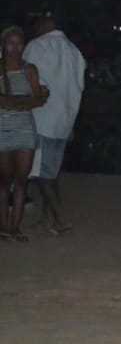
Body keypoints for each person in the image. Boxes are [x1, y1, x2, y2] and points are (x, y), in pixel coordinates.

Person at [21, 12, 85, 234]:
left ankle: (59, 219)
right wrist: (71, 123)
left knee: (42, 174)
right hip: (64, 122)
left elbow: (26, 83)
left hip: (42, 119)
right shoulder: (74, 51)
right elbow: (78, 89)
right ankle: (47, 217)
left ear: (42, 25)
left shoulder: (36, 47)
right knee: (51, 172)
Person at [1, 27, 47, 241]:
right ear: (3, 45)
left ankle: (14, 228)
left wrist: (14, 103)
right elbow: (36, 98)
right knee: (3, 182)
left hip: (25, 131)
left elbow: (39, 100)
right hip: (2, 131)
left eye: (19, 43)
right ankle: (3, 227)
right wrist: (26, 102)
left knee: (21, 182)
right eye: (10, 43)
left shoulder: (30, 69)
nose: (15, 48)